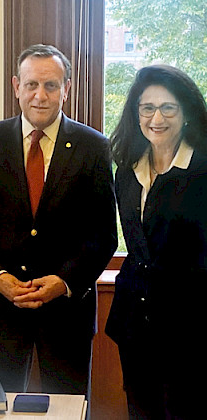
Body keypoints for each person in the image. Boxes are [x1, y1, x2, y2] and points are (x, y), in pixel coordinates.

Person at [0, 44, 117, 398]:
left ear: (67, 89)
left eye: (51, 86)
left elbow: (103, 235)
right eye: (31, 85)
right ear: (16, 86)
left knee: (67, 409)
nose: (40, 96)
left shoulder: (94, 147)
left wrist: (63, 281)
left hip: (66, 313)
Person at [106, 65, 207, 419]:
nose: (156, 118)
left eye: (168, 108)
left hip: (191, 330)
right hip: (135, 325)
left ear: (186, 113)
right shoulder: (127, 170)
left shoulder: (202, 171)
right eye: (147, 108)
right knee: (141, 412)